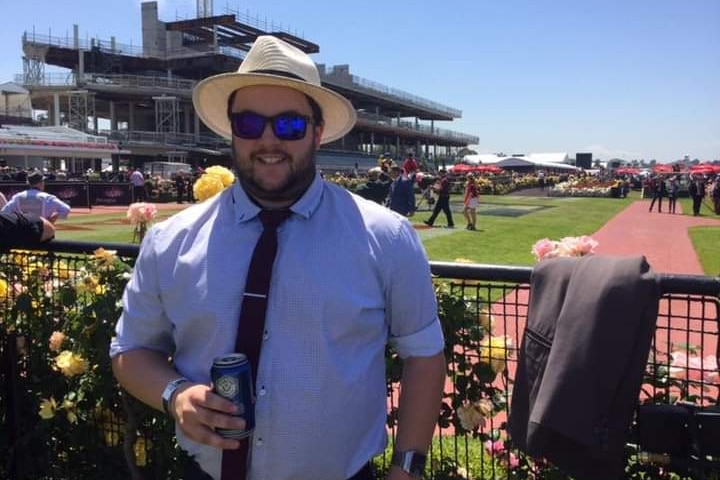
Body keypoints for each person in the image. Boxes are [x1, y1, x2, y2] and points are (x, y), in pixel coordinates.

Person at [110, 36, 445, 480]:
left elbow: (424, 354)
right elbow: (130, 350)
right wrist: (176, 394)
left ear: (317, 131)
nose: (268, 140)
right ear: (231, 130)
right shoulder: (169, 240)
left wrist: (407, 468)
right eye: (249, 123)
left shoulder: (386, 236)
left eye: (289, 125)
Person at [1, 171, 71, 221]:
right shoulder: (47, 197)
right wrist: (51, 219)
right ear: (40, 182)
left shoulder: (18, 197)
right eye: (43, 181)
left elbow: (4, 212)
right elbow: (66, 209)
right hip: (42, 232)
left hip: (23, 233)